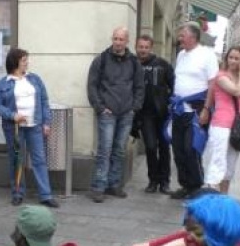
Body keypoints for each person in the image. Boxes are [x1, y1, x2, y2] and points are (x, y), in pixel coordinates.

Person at [0, 48, 59, 208]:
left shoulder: (34, 79)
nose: (27, 63)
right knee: (16, 160)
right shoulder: (3, 83)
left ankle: (45, 195)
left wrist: (46, 122)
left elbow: (44, 101)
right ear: (15, 62)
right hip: (14, 128)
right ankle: (17, 193)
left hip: (34, 126)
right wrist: (12, 115)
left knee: (39, 160)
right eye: (24, 60)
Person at [87, 27, 144, 203]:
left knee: (119, 151)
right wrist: (100, 107)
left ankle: (113, 184)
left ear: (127, 41)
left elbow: (140, 87)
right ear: (112, 39)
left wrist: (134, 107)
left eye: (121, 39)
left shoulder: (134, 62)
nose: (118, 42)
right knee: (105, 150)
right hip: (107, 113)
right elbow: (92, 85)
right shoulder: (101, 60)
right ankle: (99, 187)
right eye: (115, 38)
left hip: (126, 113)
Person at [168, 22, 219, 200]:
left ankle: (196, 186)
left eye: (183, 35)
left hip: (197, 110)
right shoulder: (181, 54)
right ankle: (185, 185)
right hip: (179, 110)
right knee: (178, 149)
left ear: (193, 37)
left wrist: (206, 109)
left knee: (192, 149)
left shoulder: (207, 55)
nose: (179, 38)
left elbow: (213, 84)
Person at [203, 46, 240, 193]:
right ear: (226, 58)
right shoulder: (221, 76)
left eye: (237, 58)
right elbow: (238, 91)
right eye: (231, 57)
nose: (233, 61)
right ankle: (211, 198)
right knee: (217, 163)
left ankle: (223, 198)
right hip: (221, 125)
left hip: (237, 126)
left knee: (230, 166)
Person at [133, 34, 174, 194]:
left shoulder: (163, 64)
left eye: (146, 47)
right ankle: (152, 180)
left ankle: (165, 182)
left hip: (162, 114)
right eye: (140, 47)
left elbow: (174, 85)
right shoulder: (133, 64)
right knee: (150, 147)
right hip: (144, 115)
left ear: (151, 48)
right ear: (136, 47)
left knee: (164, 147)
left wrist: (168, 102)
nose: (143, 50)